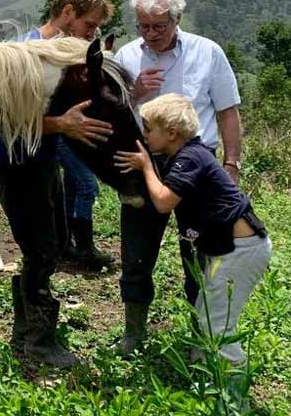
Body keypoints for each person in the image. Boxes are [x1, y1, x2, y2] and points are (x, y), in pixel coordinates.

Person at [111, 0, 243, 355]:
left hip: (197, 163)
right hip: (143, 162)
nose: (151, 34)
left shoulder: (207, 52)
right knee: (136, 251)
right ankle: (134, 333)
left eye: (159, 26)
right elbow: (113, 112)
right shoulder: (126, 55)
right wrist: (134, 92)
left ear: (177, 19)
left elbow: (228, 111)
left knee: (200, 255)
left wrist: (231, 163)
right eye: (143, 26)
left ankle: (201, 337)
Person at [0, 0, 115, 367]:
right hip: (17, 165)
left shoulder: (64, 56)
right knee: (41, 250)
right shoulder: (22, 53)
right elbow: (5, 121)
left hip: (45, 161)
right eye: (89, 25)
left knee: (55, 243)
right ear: (67, 13)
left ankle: (26, 330)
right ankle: (38, 343)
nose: (91, 34)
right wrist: (61, 125)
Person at [113, 93, 271, 371]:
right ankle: (205, 371)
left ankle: (233, 384)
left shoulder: (190, 159)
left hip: (239, 250)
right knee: (206, 310)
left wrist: (146, 166)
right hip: (230, 247)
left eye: (148, 129)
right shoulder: (188, 154)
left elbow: (163, 202)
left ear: (171, 133)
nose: (144, 135)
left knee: (216, 324)